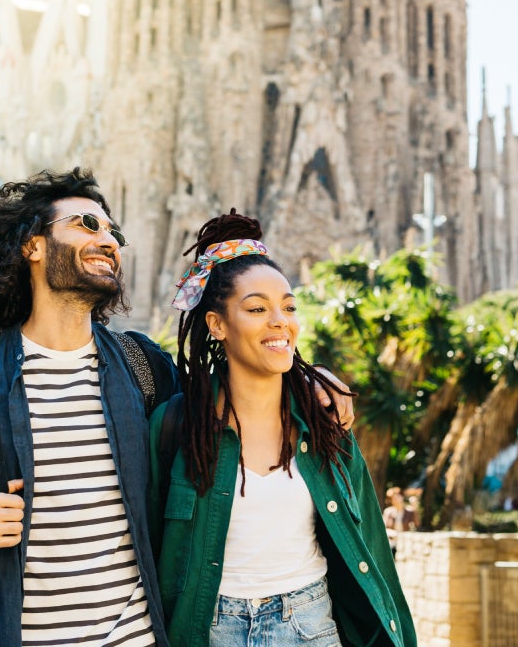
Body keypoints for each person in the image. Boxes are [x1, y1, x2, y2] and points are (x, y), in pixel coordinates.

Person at [0, 168, 351, 646]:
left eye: (114, 232)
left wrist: (309, 380)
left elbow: (235, 398)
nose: (108, 240)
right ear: (33, 246)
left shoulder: (143, 367)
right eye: (87, 224)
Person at [149, 210, 417, 647]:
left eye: (289, 307)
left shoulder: (325, 421)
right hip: (210, 630)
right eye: (257, 308)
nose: (280, 320)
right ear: (217, 325)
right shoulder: (177, 426)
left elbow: (371, 545)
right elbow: (149, 548)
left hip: (310, 626)